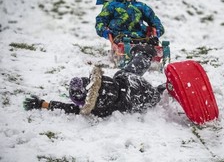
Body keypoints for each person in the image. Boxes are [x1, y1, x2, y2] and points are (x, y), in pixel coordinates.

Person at [23, 45, 166, 117]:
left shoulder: (94, 107)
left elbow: (68, 108)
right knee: (127, 71)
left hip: (132, 97)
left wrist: (44, 104)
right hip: (125, 80)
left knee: (152, 97)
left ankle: (163, 89)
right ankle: (144, 55)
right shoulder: (99, 82)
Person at [95, 0, 164, 45]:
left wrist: (157, 31)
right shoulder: (111, 5)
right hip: (119, 38)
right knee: (129, 48)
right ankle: (135, 53)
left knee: (148, 46)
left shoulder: (141, 6)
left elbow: (154, 20)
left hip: (140, 38)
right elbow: (101, 20)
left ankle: (155, 52)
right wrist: (104, 31)